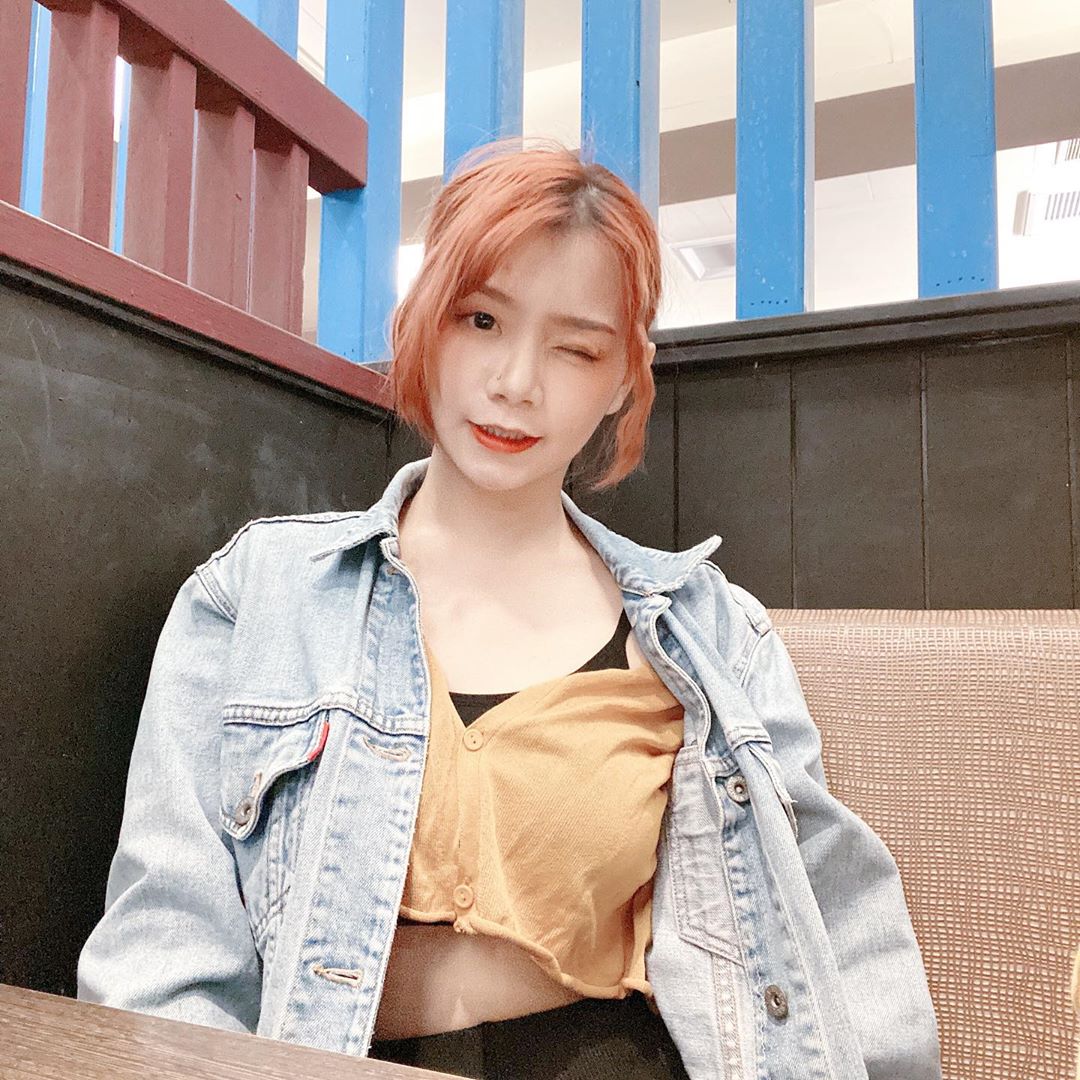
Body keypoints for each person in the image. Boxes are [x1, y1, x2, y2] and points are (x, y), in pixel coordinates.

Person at [77, 136, 942, 1079]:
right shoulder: (256, 596)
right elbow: (160, 966)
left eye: (575, 348)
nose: (516, 382)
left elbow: (837, 940)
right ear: (425, 320)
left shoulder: (709, 630)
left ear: (623, 377)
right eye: (482, 319)